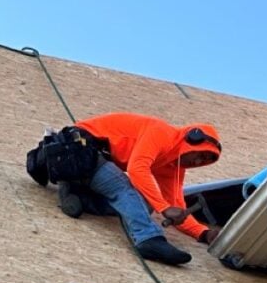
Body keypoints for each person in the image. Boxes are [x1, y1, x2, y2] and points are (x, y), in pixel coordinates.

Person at [59, 113, 223, 265]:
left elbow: (177, 208)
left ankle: (78, 197)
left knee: (146, 202)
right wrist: (164, 208)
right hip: (76, 147)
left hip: (90, 163)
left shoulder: (173, 168)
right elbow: (137, 169)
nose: (197, 163)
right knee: (123, 187)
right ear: (192, 141)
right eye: (200, 155)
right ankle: (148, 240)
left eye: (204, 161)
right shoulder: (161, 133)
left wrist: (204, 233)